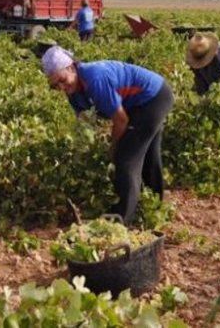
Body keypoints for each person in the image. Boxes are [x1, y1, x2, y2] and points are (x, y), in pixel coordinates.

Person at [41, 46, 173, 224]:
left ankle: (122, 219)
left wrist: (113, 147)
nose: (62, 87)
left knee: (126, 158)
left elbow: (121, 120)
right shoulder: (73, 93)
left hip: (153, 98)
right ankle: (154, 208)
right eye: (55, 85)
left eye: (63, 80)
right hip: (137, 103)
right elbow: (85, 122)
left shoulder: (95, 78)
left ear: (71, 67)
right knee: (148, 152)